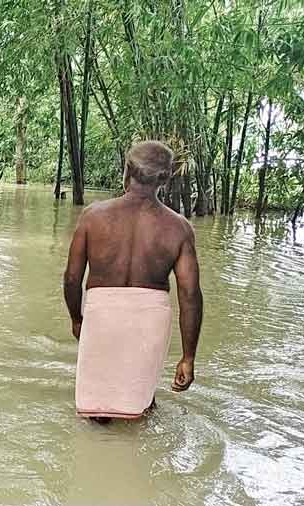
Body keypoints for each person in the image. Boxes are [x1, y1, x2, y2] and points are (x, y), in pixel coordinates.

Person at [63, 141, 203, 422]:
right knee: (142, 401)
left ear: (126, 171)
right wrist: (188, 357)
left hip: (102, 314)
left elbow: (72, 278)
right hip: (151, 318)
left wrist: (77, 319)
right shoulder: (179, 228)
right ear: (165, 179)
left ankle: (99, 442)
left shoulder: (93, 216)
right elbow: (190, 295)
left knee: (97, 408)